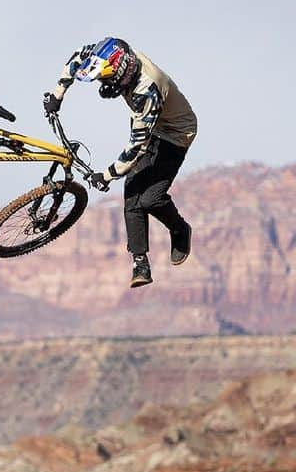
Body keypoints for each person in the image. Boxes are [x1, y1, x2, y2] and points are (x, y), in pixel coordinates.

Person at [43, 38, 197, 288]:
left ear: (122, 74)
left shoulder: (147, 92)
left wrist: (106, 175)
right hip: (150, 124)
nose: (104, 85)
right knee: (132, 189)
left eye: (106, 80)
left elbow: (137, 146)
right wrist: (57, 94)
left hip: (176, 133)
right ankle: (140, 263)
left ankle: (180, 229)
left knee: (150, 199)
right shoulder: (110, 52)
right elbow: (76, 59)